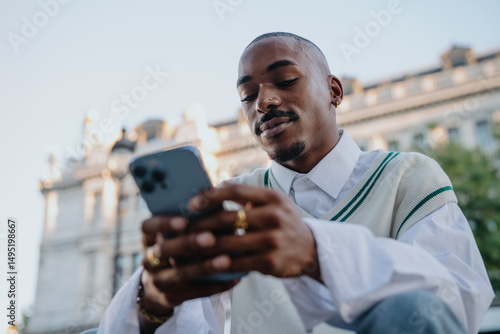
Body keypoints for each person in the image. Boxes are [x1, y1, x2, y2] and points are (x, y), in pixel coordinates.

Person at [98, 32, 494, 334]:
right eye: (247, 95)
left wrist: (315, 253)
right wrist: (155, 303)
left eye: (285, 80)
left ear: (334, 91)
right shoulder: (231, 203)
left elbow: (453, 303)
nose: (263, 102)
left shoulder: (409, 174)